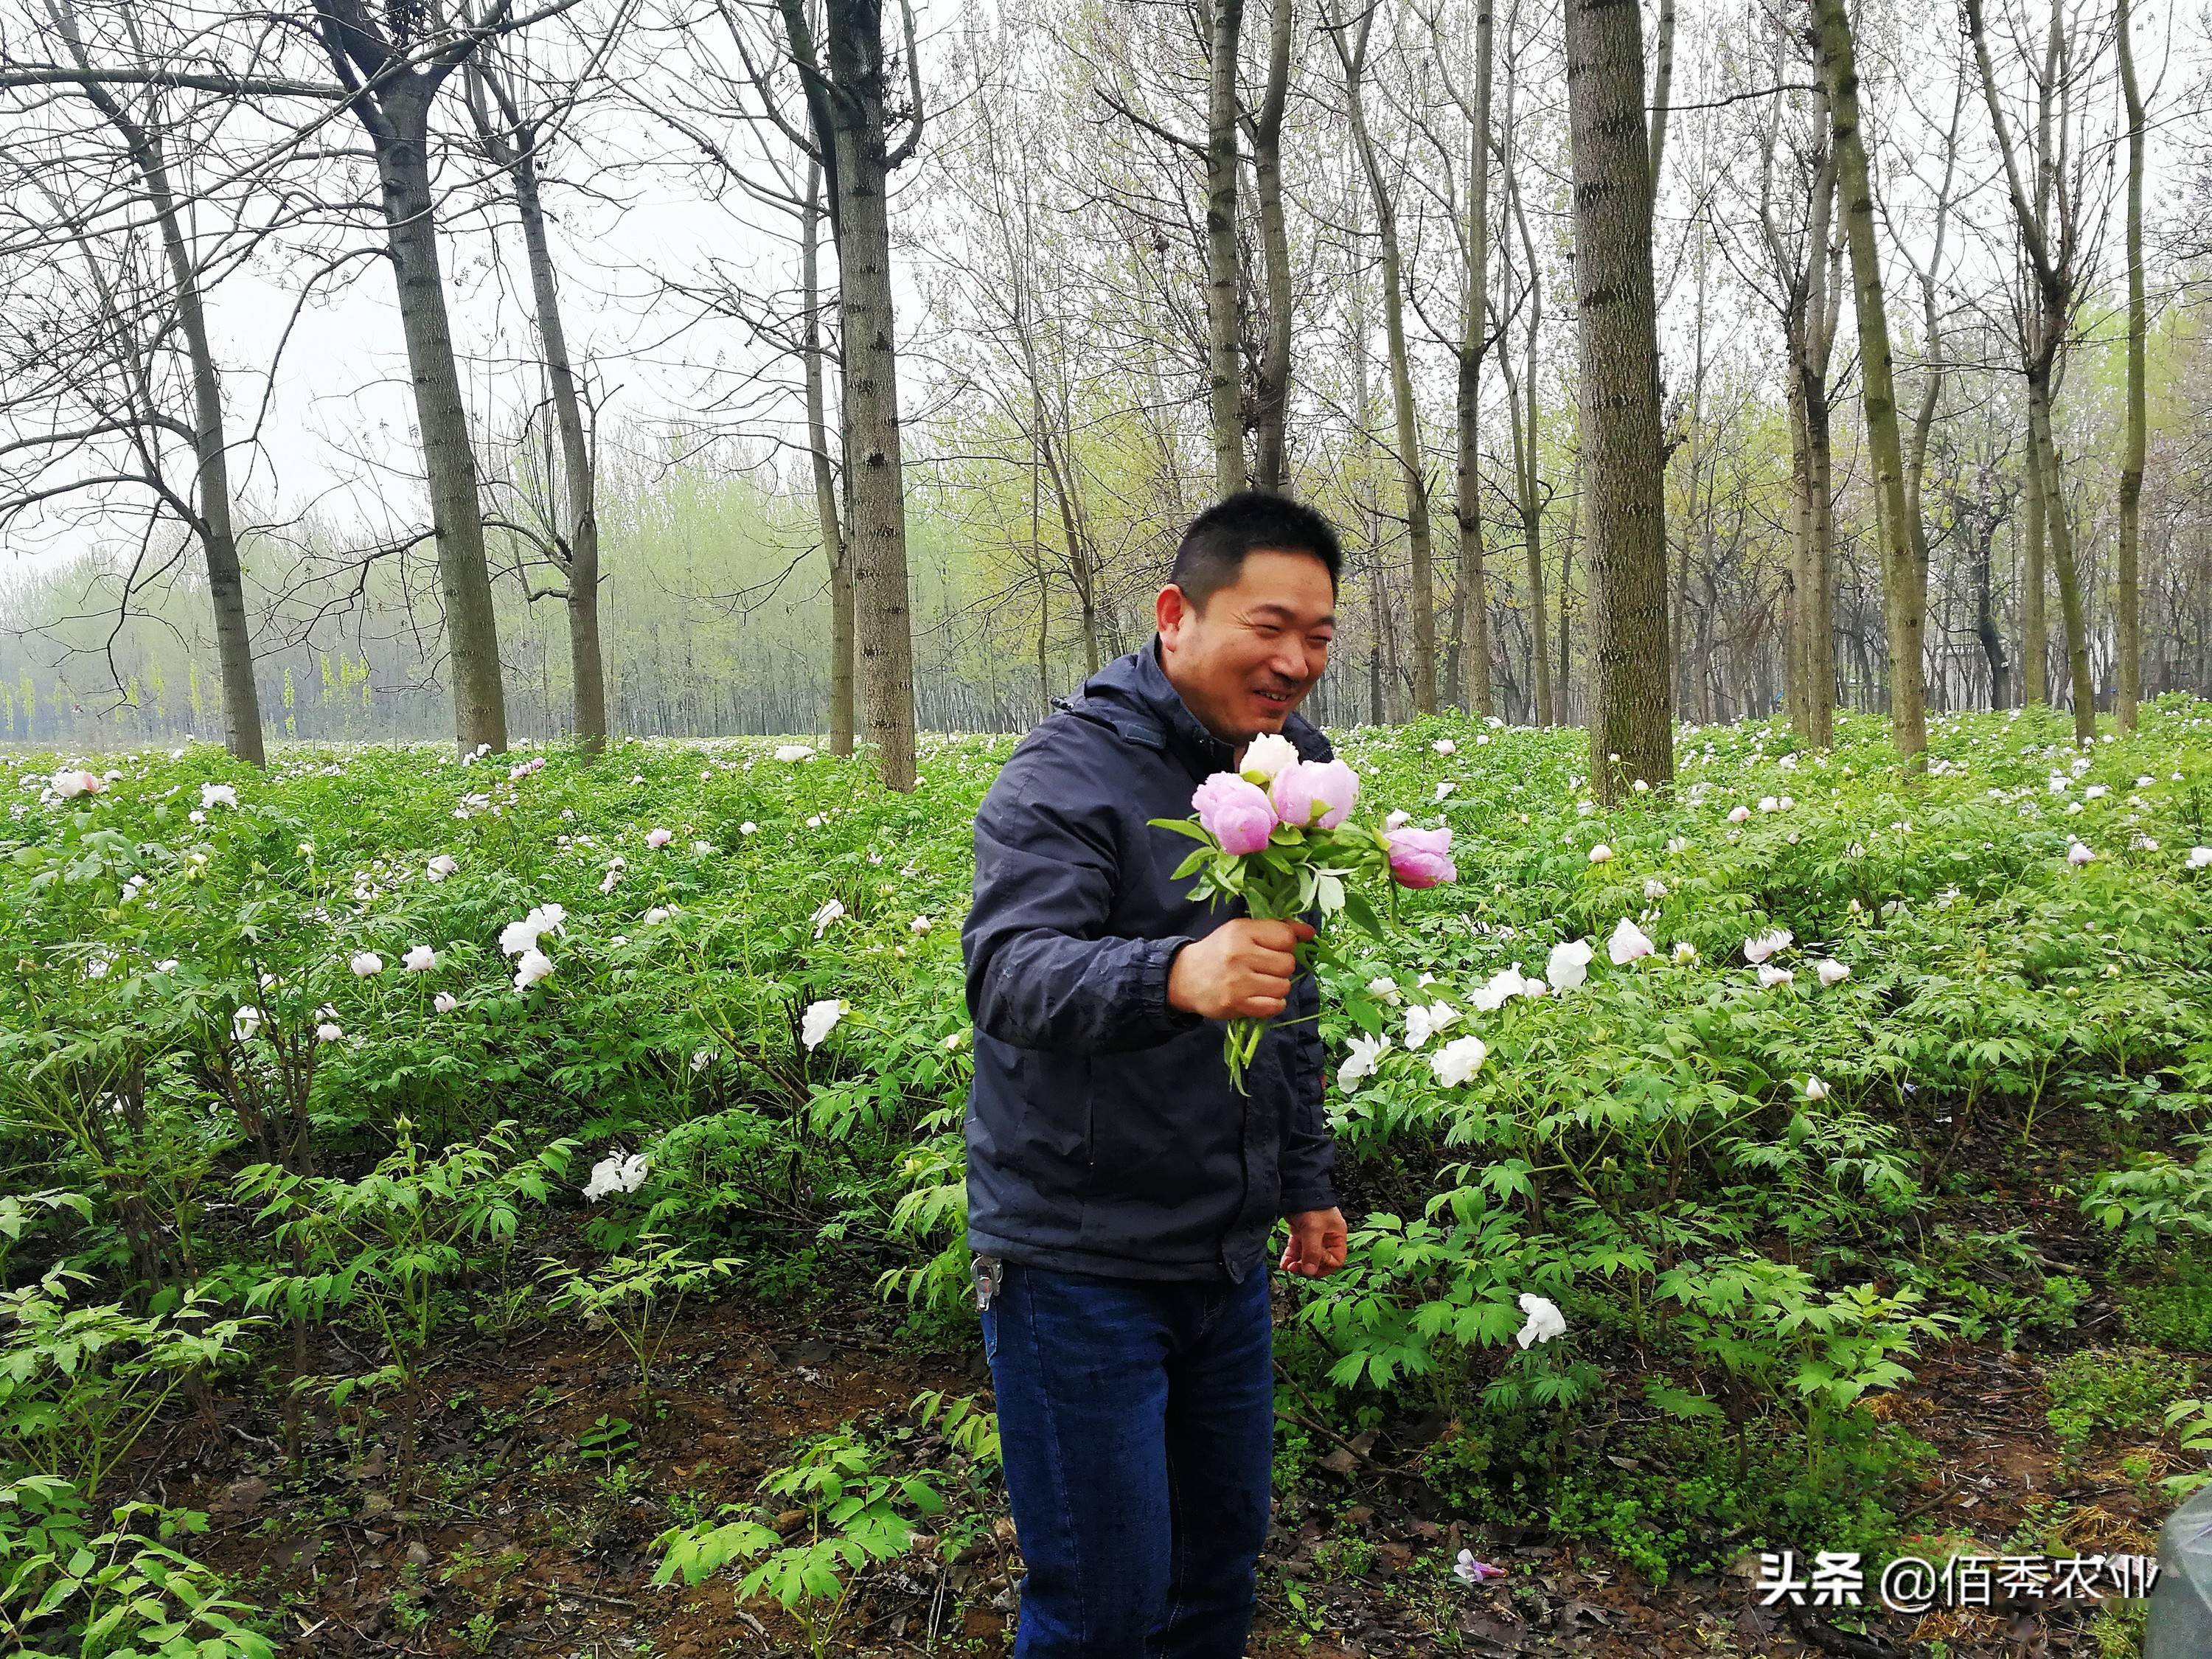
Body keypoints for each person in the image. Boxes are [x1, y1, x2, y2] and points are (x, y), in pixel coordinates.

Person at [960, 490, 1352, 1658]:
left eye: (1320, 637)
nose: (1295, 661)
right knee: (1103, 1607)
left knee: (1214, 1574)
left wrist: (1305, 1175)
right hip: (1078, 1260)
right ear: (1176, 614)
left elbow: (1290, 991)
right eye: (1270, 625)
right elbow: (1012, 977)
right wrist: (1176, 975)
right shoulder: (1064, 774)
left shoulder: (1296, 766)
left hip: (1222, 1254)